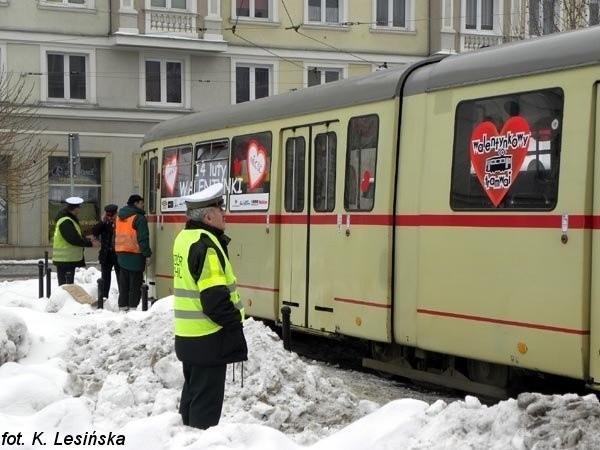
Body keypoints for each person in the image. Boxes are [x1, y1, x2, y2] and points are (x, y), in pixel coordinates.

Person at [173, 183, 247, 429]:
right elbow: (215, 300)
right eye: (220, 208)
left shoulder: (185, 238)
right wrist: (234, 324)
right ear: (208, 216)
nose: (224, 212)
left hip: (187, 335)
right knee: (206, 406)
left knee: (193, 396)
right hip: (209, 337)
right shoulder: (207, 246)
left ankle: (185, 440)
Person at [115, 194, 152, 311]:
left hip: (121, 254)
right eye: (142, 203)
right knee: (135, 284)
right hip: (135, 255)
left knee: (124, 284)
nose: (143, 205)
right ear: (136, 203)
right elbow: (143, 238)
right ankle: (132, 308)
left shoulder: (120, 217)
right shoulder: (139, 218)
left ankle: (122, 307)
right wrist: (147, 254)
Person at [52, 196, 99, 286]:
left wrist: (88, 239)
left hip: (67, 259)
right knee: (65, 287)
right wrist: (90, 243)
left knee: (67, 286)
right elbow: (73, 239)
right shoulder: (66, 221)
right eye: (79, 207)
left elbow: (77, 236)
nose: (80, 210)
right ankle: (63, 300)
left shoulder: (69, 219)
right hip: (65, 260)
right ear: (75, 208)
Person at [92, 203, 120, 299]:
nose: (110, 218)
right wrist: (102, 221)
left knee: (120, 278)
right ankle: (104, 299)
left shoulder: (120, 222)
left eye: (112, 215)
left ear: (116, 213)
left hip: (117, 255)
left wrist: (116, 222)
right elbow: (95, 231)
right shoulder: (104, 223)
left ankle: (122, 299)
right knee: (105, 279)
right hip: (106, 255)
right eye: (108, 215)